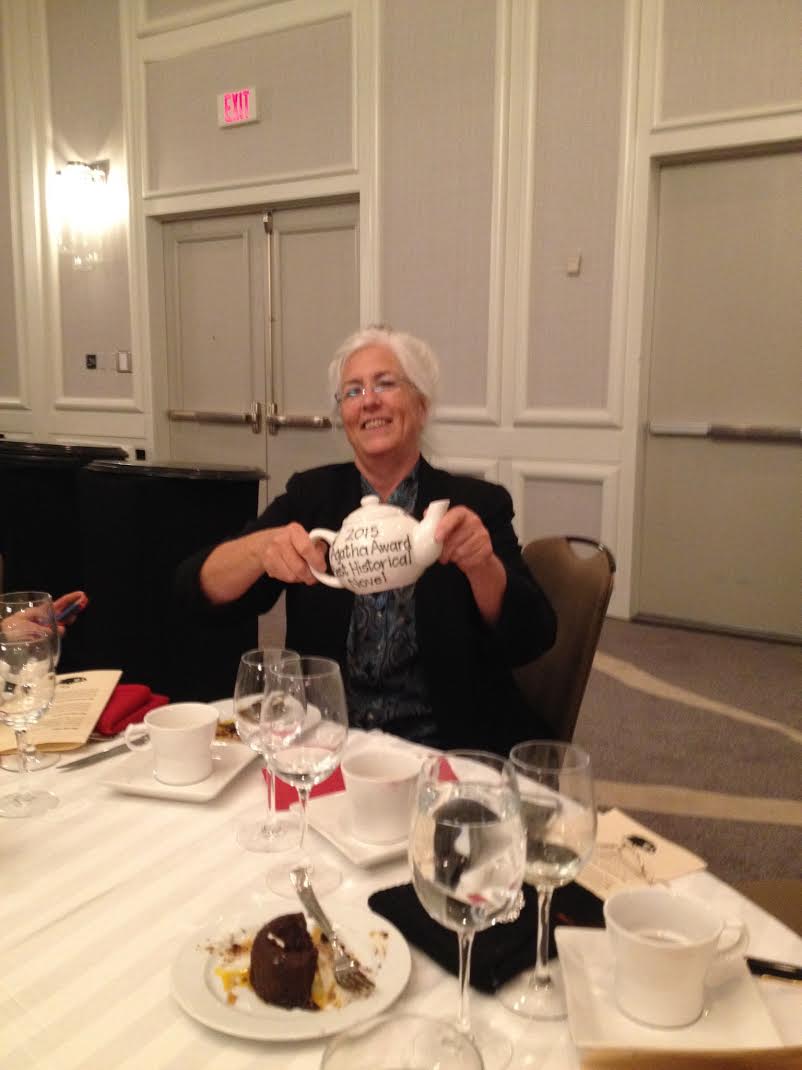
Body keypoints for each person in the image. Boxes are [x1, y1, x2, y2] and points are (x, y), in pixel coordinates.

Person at [175, 326, 556, 753]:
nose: (369, 400)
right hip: (329, 741)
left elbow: (531, 639)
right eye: (352, 392)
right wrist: (259, 550)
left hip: (442, 749)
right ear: (343, 417)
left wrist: (482, 566)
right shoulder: (312, 498)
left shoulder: (471, 506)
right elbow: (196, 592)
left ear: (422, 405)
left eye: (386, 384)